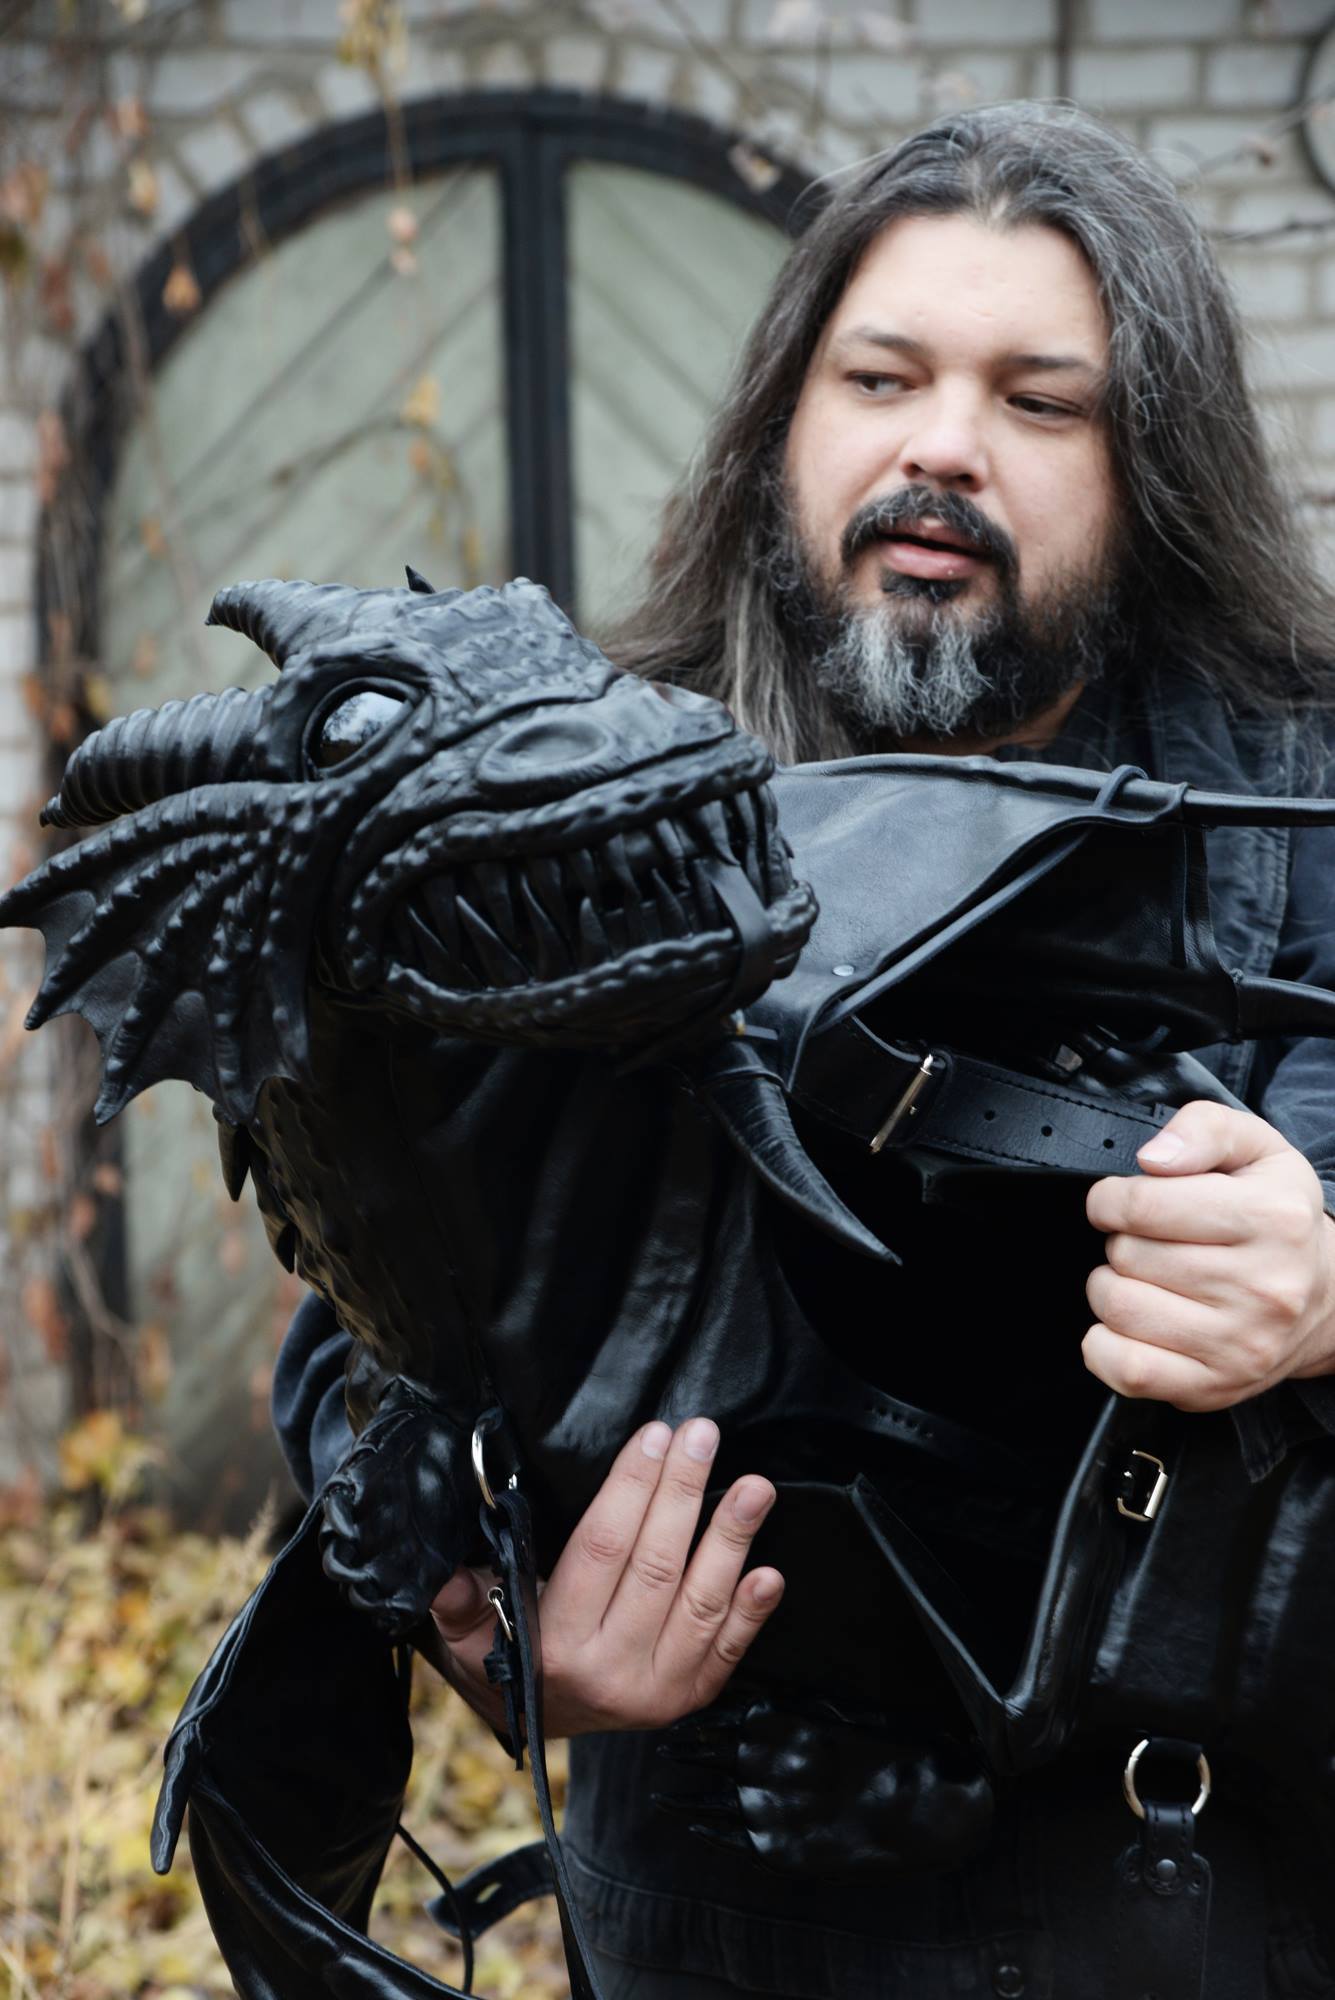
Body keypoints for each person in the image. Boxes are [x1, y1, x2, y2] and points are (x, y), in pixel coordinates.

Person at [273, 103, 1335, 1996]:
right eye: (882, 378)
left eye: (1041, 401)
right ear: (787, 422)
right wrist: (491, 1613)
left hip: (1204, 1912)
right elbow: (370, 1337)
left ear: (1152, 468)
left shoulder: (1309, 817)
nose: (943, 446)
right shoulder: (576, 814)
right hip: (722, 1915)